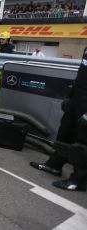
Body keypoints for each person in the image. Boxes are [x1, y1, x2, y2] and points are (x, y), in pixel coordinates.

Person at [30, 47, 87, 191]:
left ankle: (79, 180)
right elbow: (82, 73)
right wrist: (69, 96)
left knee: (83, 141)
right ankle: (54, 165)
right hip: (77, 97)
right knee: (65, 132)